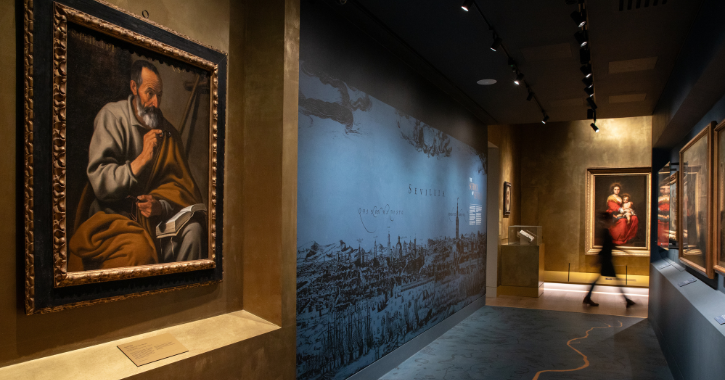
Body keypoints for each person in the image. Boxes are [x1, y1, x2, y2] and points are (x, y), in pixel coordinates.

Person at [68, 60, 205, 270]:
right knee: (139, 252)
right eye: (149, 93)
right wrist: (142, 159)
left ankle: (180, 295)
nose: (156, 103)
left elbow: (181, 189)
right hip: (113, 219)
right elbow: (101, 182)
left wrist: (161, 205)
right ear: (134, 87)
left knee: (194, 232)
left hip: (154, 221)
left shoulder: (168, 133)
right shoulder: (112, 117)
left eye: (159, 95)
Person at [583, 212, 635, 307]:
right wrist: (597, 259)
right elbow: (604, 247)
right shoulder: (605, 231)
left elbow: (608, 246)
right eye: (610, 219)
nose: (611, 221)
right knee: (615, 280)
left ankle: (588, 297)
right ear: (607, 220)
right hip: (606, 259)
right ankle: (627, 300)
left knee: (600, 279)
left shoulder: (605, 231)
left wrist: (623, 249)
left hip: (606, 259)